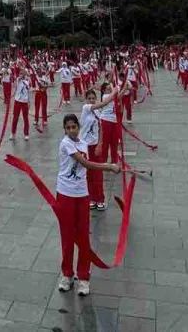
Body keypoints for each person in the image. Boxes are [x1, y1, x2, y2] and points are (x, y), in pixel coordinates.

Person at [54, 113, 121, 297]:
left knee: (83, 237)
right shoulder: (66, 143)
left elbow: (86, 168)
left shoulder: (82, 143)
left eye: (73, 127)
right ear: (64, 129)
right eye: (67, 128)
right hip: (65, 194)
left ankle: (83, 277)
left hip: (82, 195)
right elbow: (85, 163)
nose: (71, 130)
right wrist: (109, 166)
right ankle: (67, 275)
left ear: (78, 127)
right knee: (67, 237)